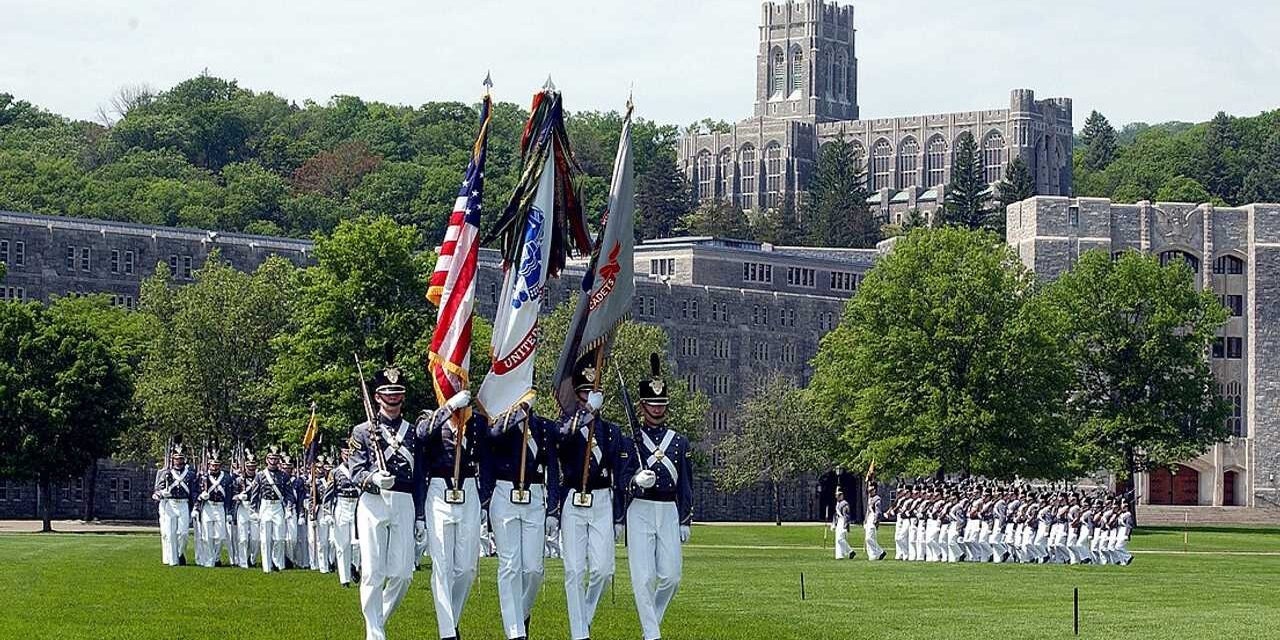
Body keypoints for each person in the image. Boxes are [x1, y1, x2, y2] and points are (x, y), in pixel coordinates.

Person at [348, 367, 433, 640]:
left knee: (403, 574)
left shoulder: (413, 433)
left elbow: (420, 476)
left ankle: (378, 621)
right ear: (377, 396)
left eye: (397, 394)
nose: (393, 399)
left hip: (404, 500)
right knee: (373, 571)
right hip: (373, 502)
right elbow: (354, 472)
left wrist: (420, 515)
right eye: (388, 394)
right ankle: (374, 634)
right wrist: (373, 477)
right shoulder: (362, 431)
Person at [556, 360, 629, 640]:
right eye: (584, 392)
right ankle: (579, 634)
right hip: (574, 499)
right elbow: (561, 438)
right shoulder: (567, 424)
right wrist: (586, 414)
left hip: (601, 500)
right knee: (574, 569)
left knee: (602, 568)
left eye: (593, 391)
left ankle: (584, 616)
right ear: (576, 395)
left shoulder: (610, 431)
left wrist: (619, 515)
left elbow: (620, 476)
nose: (589, 396)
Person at [626, 353, 693, 640]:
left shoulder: (678, 441)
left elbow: (687, 483)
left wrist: (686, 518)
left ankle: (649, 626)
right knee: (643, 578)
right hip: (640, 508)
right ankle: (652, 635)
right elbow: (622, 480)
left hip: (668, 511)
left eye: (661, 404)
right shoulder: (631, 439)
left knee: (672, 578)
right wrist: (635, 481)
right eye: (652, 403)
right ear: (642, 406)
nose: (657, 408)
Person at [482, 403, 561, 640]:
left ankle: (521, 613)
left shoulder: (544, 427)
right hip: (505, 493)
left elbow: (553, 470)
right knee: (509, 565)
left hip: (534, 495)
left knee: (534, 569)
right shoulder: (500, 424)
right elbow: (491, 440)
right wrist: (485, 500)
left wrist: (553, 509)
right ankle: (515, 632)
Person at [419, 388, 487, 640]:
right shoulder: (431, 417)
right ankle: (448, 632)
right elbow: (421, 434)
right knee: (443, 566)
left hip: (468, 488)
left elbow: (486, 456)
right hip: (439, 489)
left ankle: (453, 619)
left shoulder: (475, 421)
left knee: (467, 568)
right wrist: (448, 408)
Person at [246, 445, 292, 573]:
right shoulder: (260, 475)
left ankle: (277, 563)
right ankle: (267, 567)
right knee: (265, 538)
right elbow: (255, 495)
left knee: (279, 538)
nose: (273, 461)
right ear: (267, 459)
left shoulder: (283, 476)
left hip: (278, 506)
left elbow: (289, 494)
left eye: (276, 458)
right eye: (271, 458)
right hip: (265, 506)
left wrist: (288, 508)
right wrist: (253, 510)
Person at [152, 443, 196, 566]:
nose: (179, 461)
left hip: (183, 504)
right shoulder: (166, 473)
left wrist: (194, 508)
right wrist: (162, 493)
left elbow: (193, 493)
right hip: (170, 504)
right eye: (177, 458)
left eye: (181, 458)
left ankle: (180, 553)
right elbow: (158, 489)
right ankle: (173, 560)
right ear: (173, 459)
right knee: (170, 534)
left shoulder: (190, 474)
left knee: (183, 534)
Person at [330, 443, 362, 587]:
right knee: (342, 545)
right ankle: (344, 579)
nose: (348, 456)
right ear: (341, 454)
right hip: (342, 506)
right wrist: (327, 512)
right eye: (345, 453)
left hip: (357, 505)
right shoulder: (336, 472)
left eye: (350, 453)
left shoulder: (359, 469)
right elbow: (329, 493)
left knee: (357, 543)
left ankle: (354, 566)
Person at [197, 450, 235, 567]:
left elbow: (229, 495)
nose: (215, 467)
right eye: (213, 465)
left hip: (220, 507)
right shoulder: (203, 477)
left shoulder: (227, 477)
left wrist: (229, 511)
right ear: (209, 464)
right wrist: (200, 497)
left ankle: (216, 557)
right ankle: (209, 560)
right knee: (207, 536)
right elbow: (195, 492)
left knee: (220, 536)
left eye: (217, 465)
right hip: (208, 506)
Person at [232, 452, 260, 569]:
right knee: (242, 538)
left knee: (255, 538)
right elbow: (232, 496)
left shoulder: (260, 479)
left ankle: (252, 559)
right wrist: (239, 496)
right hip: (242, 509)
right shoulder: (239, 480)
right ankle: (243, 562)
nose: (251, 469)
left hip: (255, 509)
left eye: (253, 466)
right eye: (249, 466)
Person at [864, 484, 885, 561]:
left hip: (873, 518)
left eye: (871, 490)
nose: (869, 491)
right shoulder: (870, 498)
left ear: (875, 490)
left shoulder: (877, 499)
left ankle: (880, 551)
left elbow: (878, 512)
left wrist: (876, 521)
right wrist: (865, 520)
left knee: (869, 538)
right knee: (868, 539)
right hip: (869, 518)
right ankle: (872, 555)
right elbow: (868, 511)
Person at [831, 489, 852, 560]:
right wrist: (834, 523)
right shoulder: (838, 504)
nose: (837, 497)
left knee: (840, 539)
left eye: (839, 495)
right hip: (839, 521)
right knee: (838, 539)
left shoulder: (844, 504)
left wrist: (846, 524)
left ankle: (850, 551)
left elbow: (846, 515)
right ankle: (839, 555)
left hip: (843, 521)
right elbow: (836, 514)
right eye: (837, 495)